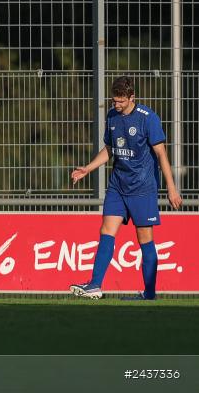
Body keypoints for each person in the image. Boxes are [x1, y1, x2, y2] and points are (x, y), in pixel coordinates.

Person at [70, 76, 182, 300]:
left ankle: (149, 293)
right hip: (118, 187)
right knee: (106, 231)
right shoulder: (112, 116)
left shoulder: (148, 118)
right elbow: (109, 149)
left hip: (143, 188)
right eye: (114, 101)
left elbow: (161, 154)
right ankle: (94, 285)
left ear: (132, 97)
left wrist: (171, 187)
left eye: (121, 101)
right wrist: (88, 169)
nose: (117, 105)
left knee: (145, 239)